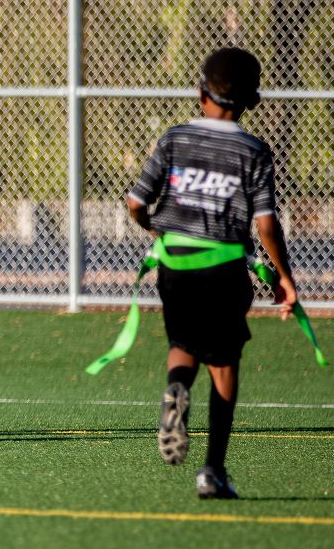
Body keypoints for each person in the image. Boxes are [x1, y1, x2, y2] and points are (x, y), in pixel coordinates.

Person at [127, 47, 298, 499]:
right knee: (224, 364)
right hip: (223, 266)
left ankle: (176, 390)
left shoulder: (174, 139)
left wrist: (157, 231)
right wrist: (283, 276)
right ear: (248, 102)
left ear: (200, 92)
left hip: (176, 261)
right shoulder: (254, 151)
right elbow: (265, 223)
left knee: (182, 343)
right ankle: (212, 471)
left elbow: (136, 203)